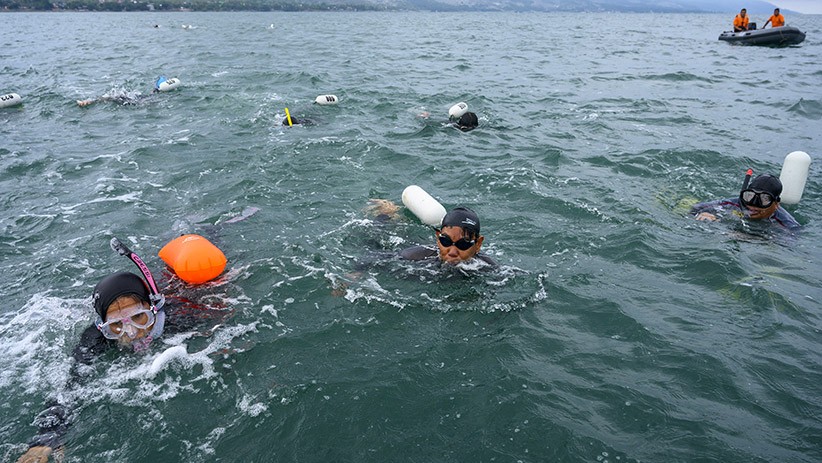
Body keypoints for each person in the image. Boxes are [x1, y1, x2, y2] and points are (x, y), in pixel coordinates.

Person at [17, 249, 230, 463]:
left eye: (139, 317)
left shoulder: (180, 318)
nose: (132, 332)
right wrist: (47, 439)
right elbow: (71, 387)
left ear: (152, 309)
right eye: (117, 325)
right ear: (103, 326)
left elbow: (222, 327)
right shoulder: (95, 338)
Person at [691, 173, 800, 230]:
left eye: (764, 199)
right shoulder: (734, 204)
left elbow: (791, 242)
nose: (753, 205)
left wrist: (750, 238)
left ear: (776, 204)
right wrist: (704, 214)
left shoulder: (785, 223)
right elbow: (696, 208)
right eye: (750, 196)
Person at [400, 206, 496, 266]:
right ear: (438, 238)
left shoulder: (490, 270)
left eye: (463, 244)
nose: (452, 252)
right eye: (446, 241)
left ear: (478, 244)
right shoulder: (411, 257)